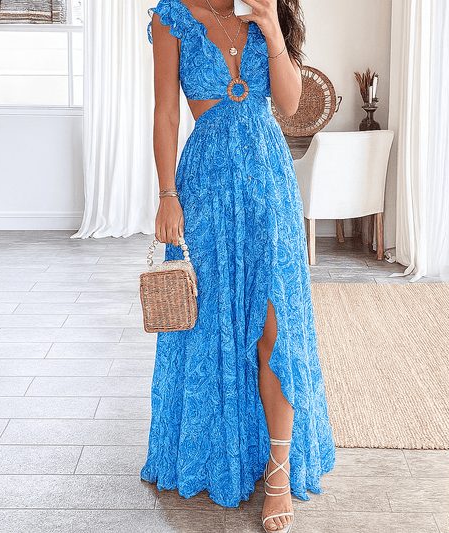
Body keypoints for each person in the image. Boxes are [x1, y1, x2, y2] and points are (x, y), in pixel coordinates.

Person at [140, 1, 336, 531]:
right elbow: (165, 112)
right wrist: (167, 195)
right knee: (213, 324)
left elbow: (289, 104)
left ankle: (278, 475)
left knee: (276, 326)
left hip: (268, 183)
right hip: (206, 186)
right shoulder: (171, 18)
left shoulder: (263, 10)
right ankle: (223, 451)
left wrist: (270, 25)